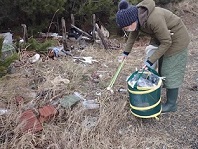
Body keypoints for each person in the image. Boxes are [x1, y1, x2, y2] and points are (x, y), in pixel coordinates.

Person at [116, 0, 190, 113]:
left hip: (176, 39)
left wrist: (149, 62)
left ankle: (171, 104)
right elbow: (133, 35)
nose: (126, 31)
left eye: (126, 28)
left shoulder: (153, 19)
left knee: (170, 70)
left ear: (132, 22)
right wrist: (125, 53)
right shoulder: (138, 17)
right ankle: (160, 91)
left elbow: (166, 41)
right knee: (161, 65)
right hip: (163, 38)